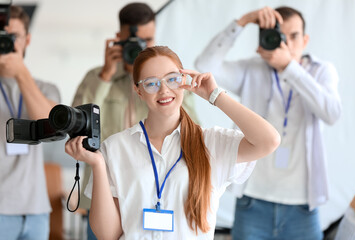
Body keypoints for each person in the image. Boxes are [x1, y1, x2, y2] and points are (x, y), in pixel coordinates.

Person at [65, 45, 280, 239]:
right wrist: (98, 165)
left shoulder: (210, 143)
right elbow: (107, 234)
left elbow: (268, 141)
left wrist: (215, 95)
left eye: (172, 79)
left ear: (184, 81)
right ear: (138, 90)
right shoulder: (115, 147)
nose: (164, 90)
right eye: (151, 83)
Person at [195, 6, 342, 240]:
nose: (286, 43)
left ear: (305, 40)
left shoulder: (321, 71)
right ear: (264, 38)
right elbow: (205, 66)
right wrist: (241, 22)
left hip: (302, 205)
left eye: (293, 36)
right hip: (253, 201)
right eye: (279, 35)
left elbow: (332, 113)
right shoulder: (252, 69)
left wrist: (289, 68)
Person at [72, 3, 199, 239]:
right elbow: (77, 126)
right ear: (119, 38)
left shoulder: (168, 84)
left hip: (154, 194)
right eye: (135, 40)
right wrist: (105, 77)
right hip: (105, 195)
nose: (142, 47)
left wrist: (163, 85)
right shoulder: (96, 77)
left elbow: (191, 126)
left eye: (148, 39)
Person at [0, 6, 60, 240]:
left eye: (13, 36)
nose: (8, 43)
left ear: (28, 39)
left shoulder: (45, 88)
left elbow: (51, 123)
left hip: (36, 211)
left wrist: (20, 73)